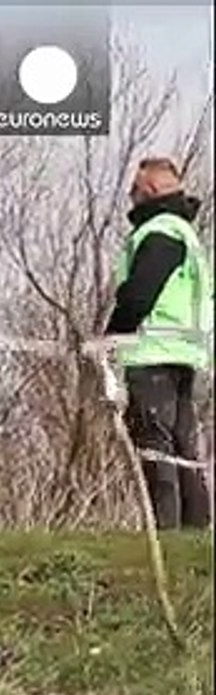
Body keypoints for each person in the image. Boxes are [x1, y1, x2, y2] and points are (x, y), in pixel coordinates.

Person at [105, 157, 213, 530]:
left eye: (134, 190)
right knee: (184, 449)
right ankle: (195, 533)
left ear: (149, 190)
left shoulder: (160, 231)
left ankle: (165, 533)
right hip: (187, 354)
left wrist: (112, 335)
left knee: (155, 446)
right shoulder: (188, 236)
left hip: (153, 352)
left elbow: (139, 295)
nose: (130, 199)